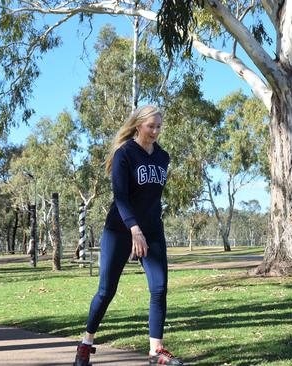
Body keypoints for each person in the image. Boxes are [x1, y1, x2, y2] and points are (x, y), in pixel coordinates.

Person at [74, 105, 183, 366]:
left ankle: (156, 350)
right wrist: (134, 230)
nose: (156, 131)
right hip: (120, 230)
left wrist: (146, 230)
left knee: (159, 288)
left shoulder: (163, 157)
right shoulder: (125, 154)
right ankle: (86, 344)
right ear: (138, 126)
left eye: (159, 126)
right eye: (151, 126)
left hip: (152, 230)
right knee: (106, 290)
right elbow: (121, 197)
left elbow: (153, 198)